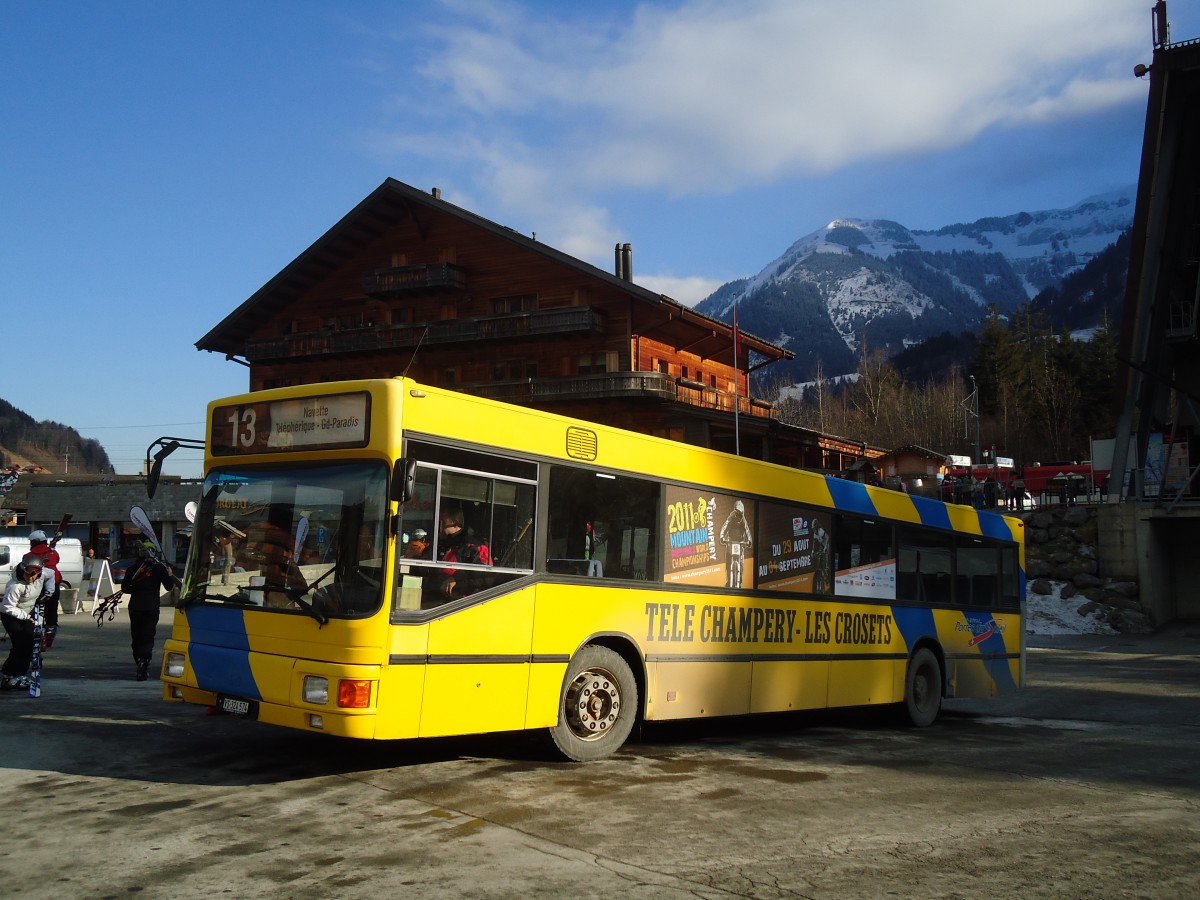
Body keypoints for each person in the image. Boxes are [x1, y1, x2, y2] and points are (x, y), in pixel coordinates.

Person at [121, 543, 177, 681]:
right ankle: (143, 662)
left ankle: (139, 661)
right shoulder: (159, 568)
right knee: (148, 635)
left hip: (135, 606)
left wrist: (137, 588)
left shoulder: (133, 569)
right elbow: (169, 587)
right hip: (151, 606)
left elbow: (125, 588)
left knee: (137, 636)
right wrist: (169, 575)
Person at [1, 554, 54, 690]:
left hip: (27, 613)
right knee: (20, 644)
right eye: (28, 573)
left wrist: (49, 592)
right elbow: (7, 607)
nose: (31, 577)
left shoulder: (42, 575)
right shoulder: (15, 585)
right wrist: (25, 616)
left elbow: (52, 573)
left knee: (29, 643)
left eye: (35, 574)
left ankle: (17, 674)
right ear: (23, 570)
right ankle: (9, 675)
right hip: (11, 615)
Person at [437, 508, 490, 599]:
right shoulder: (442, 544)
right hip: (436, 596)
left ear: (454, 522)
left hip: (462, 602)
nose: (440, 526)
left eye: (442, 522)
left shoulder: (474, 546)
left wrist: (456, 580)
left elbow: (484, 576)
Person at [27, 529, 62, 650]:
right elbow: (57, 560)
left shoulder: (28, 556)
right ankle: (49, 638)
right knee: (52, 611)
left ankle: (35, 635)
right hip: (54, 585)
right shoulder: (53, 553)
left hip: (36, 585)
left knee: (33, 610)